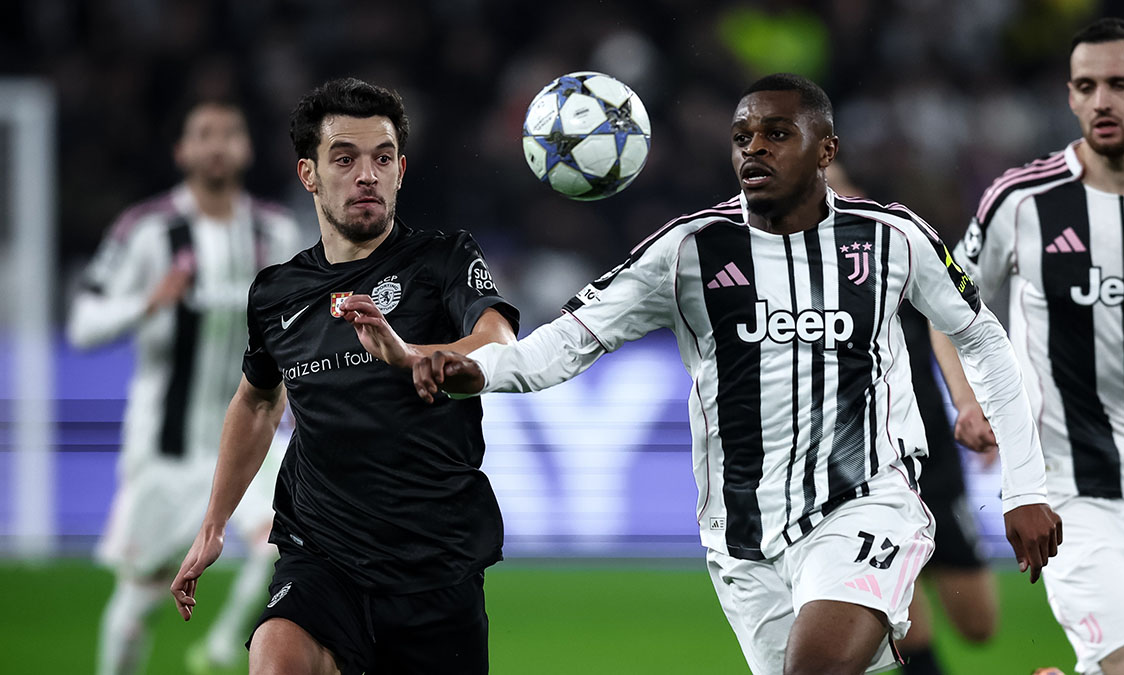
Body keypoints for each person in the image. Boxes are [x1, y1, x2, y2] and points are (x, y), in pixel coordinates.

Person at [347, 73, 1062, 675]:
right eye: (743, 136)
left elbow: (983, 339)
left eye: (777, 133)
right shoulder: (688, 251)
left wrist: (1025, 488)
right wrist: (454, 365)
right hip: (742, 536)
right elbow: (558, 347)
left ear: (827, 149)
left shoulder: (890, 238)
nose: (755, 148)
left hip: (867, 503)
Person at [169, 77, 519, 675]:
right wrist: (213, 524)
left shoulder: (443, 259)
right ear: (308, 174)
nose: (367, 175)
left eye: (382, 159)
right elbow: (258, 402)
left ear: (400, 171)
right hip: (320, 553)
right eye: (345, 158)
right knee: (276, 656)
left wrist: (409, 354)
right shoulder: (276, 293)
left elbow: (498, 341)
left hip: (435, 563)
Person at [935, 17, 1124, 675]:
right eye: (1086, 86)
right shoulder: (1023, 200)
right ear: (1071, 96)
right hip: (1069, 493)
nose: (1101, 100)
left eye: (1119, 84)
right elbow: (945, 306)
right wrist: (967, 399)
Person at [67, 99, 301, 675]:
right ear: (182, 150)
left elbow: (298, 324)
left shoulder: (274, 231)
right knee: (139, 596)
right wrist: (147, 303)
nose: (217, 144)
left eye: (229, 133)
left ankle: (222, 648)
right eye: (203, 134)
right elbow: (83, 325)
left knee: (288, 548)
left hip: (250, 434)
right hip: (166, 448)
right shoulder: (147, 230)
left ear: (246, 149)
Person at [826, 163, 999, 675]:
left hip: (932, 455)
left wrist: (968, 403)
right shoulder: (789, 267)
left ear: (860, 190)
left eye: (834, 182)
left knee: (979, 625)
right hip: (859, 462)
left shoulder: (892, 248)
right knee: (902, 614)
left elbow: (947, 324)